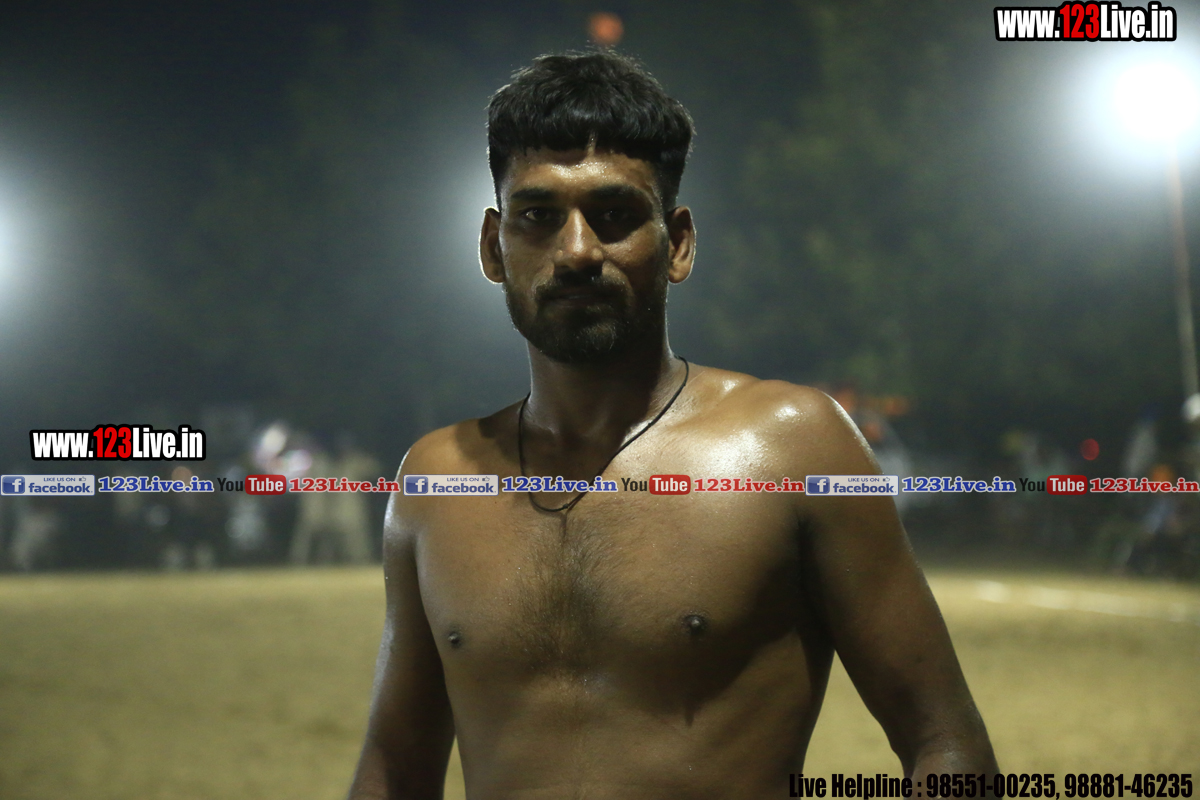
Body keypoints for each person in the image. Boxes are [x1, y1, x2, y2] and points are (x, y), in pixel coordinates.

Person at [347, 51, 996, 799]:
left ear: (678, 243)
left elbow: (946, 743)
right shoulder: (435, 481)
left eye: (614, 215)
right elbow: (393, 771)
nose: (577, 250)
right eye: (538, 216)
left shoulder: (794, 445)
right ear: (495, 247)